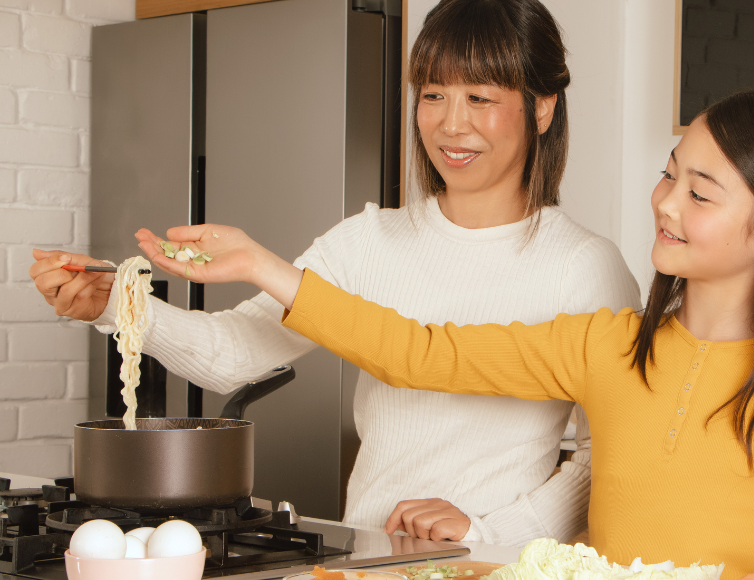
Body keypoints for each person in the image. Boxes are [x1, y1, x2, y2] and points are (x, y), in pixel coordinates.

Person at [139, 90, 754, 580]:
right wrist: (261, 266)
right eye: (668, 172)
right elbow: (421, 351)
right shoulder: (608, 346)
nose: (665, 203)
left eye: (700, 192)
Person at [29, 0, 640, 547]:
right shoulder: (368, 242)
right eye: (432, 94)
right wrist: (115, 304)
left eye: (480, 97)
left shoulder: (584, 267)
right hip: (362, 554)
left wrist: (487, 532)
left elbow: (602, 459)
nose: (451, 124)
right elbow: (233, 354)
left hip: (492, 565)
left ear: (541, 108)